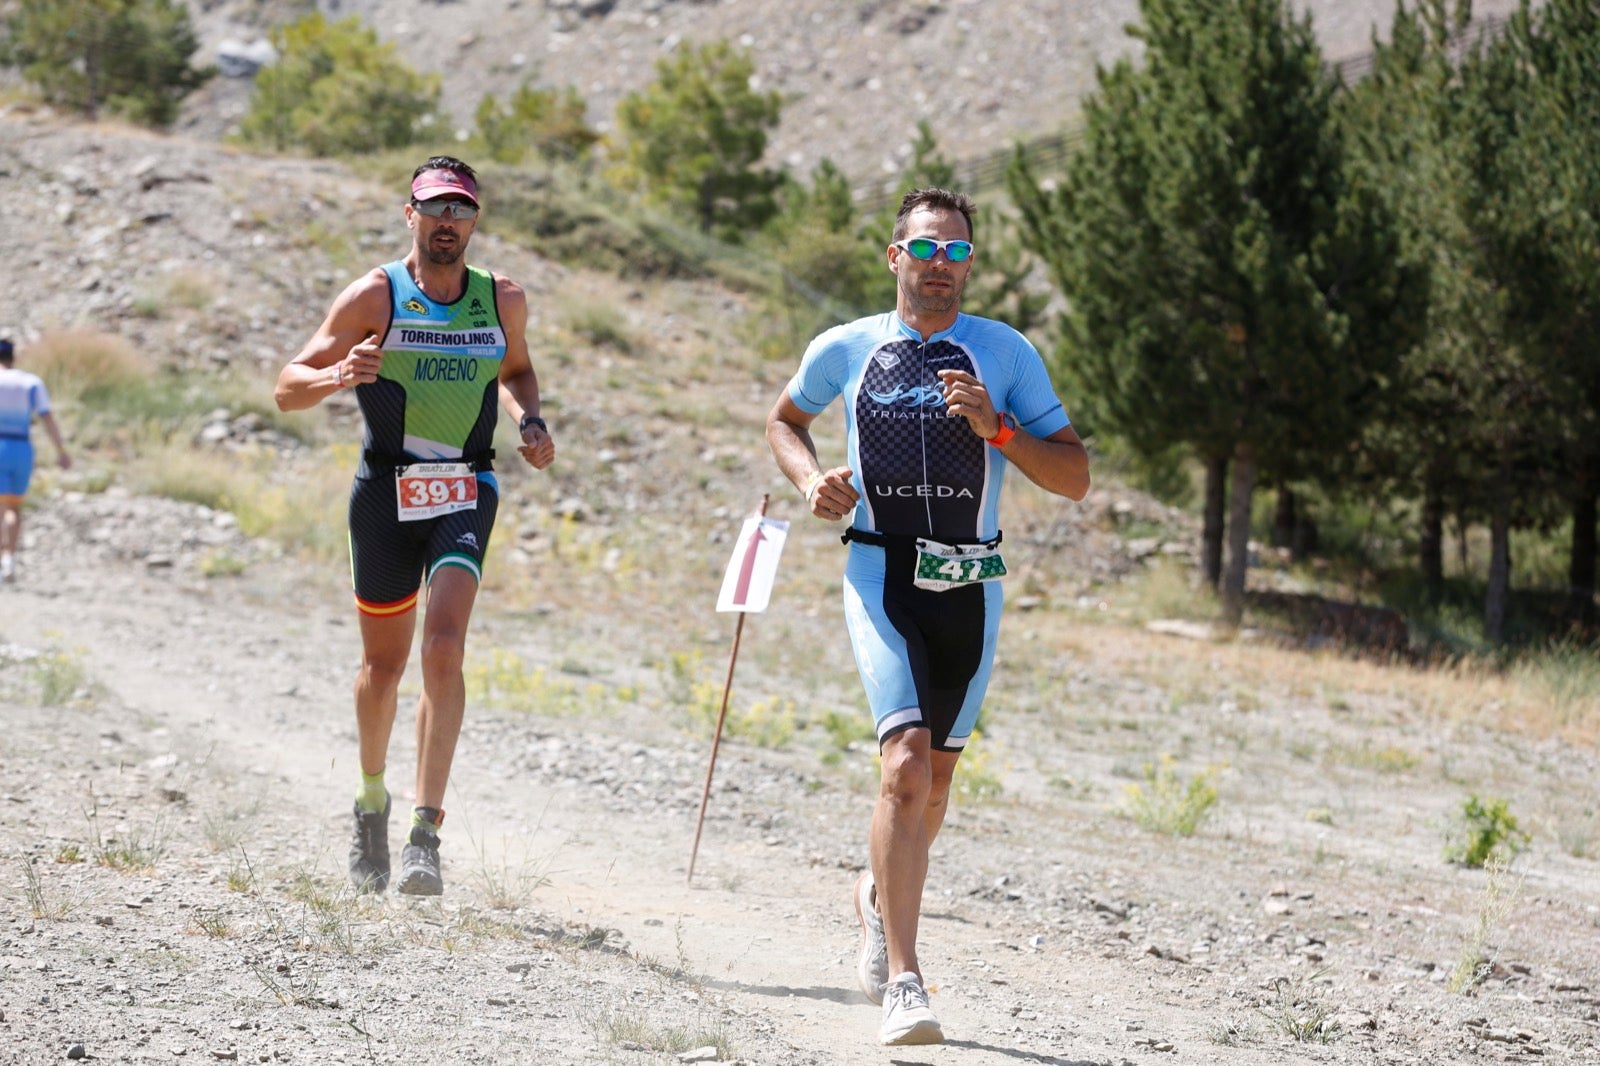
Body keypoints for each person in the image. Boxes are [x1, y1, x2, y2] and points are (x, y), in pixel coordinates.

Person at [765, 188, 1089, 1046]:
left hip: (972, 585)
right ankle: (906, 979)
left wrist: (1002, 432)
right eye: (924, 250)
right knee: (904, 767)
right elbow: (784, 420)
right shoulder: (846, 346)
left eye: (955, 253)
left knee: (935, 782)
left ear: (969, 265)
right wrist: (810, 483)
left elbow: (1076, 475)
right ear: (894, 256)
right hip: (880, 573)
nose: (938, 267)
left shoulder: (1005, 352)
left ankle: (877, 896)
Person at [274, 157, 554, 897]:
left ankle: (426, 832)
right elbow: (286, 387)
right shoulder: (376, 295)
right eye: (434, 210)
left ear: (474, 221)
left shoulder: (502, 299)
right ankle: (371, 801)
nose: (447, 223)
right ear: (411, 216)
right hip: (384, 493)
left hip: (466, 487)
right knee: (383, 670)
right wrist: (340, 376)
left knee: (444, 646)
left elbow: (517, 372)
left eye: (460, 210)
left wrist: (530, 419)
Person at [0, 338, 72, 584]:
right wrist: (61, 450)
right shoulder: (30, 382)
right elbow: (47, 419)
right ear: (14, 357)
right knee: (13, 506)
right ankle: (8, 559)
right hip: (21, 448)